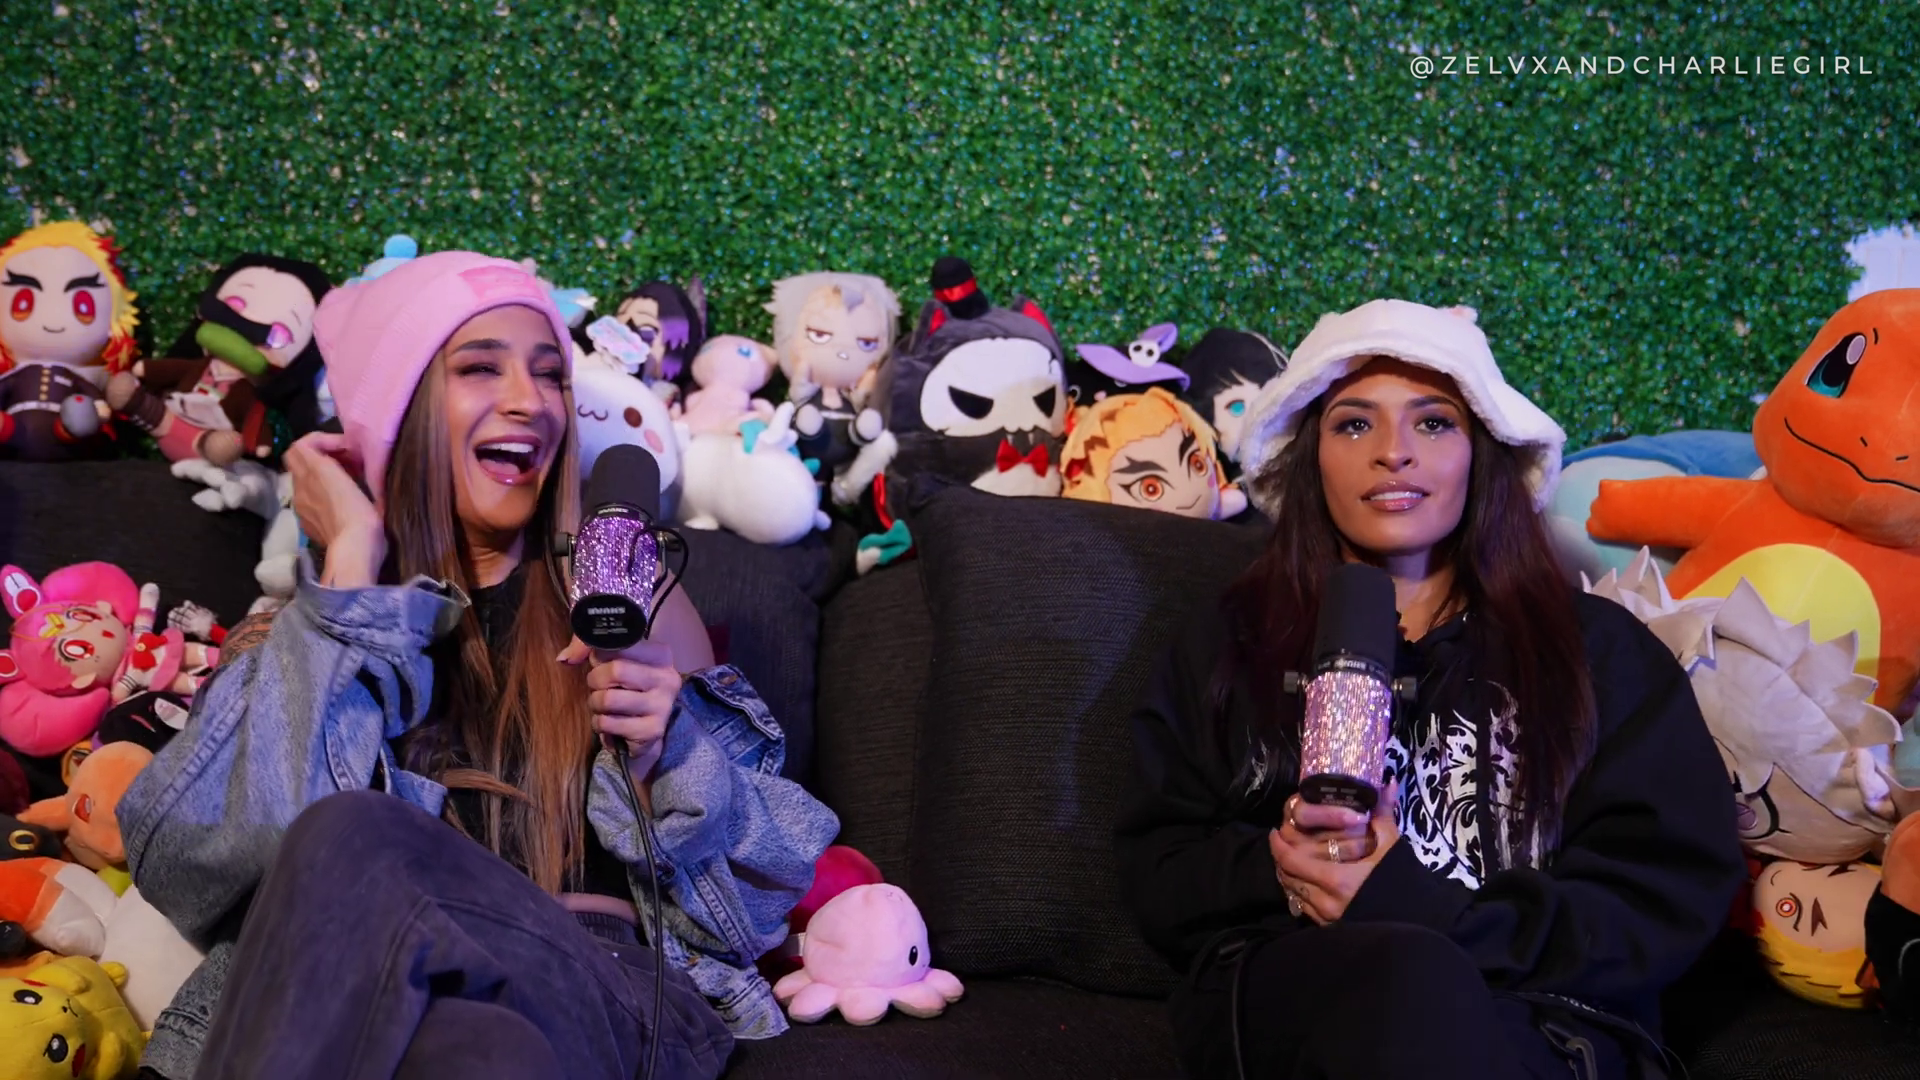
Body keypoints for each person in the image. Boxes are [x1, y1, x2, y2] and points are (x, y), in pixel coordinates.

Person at [119, 252, 839, 1080]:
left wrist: (666, 758)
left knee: (359, 836)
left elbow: (756, 908)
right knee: (472, 1044)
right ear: (401, 409)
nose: (531, 401)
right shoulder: (306, 629)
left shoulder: (624, 601)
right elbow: (189, 875)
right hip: (388, 1006)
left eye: (549, 374)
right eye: (480, 368)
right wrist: (349, 571)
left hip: (601, 986)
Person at [1114, 300, 1743, 1080]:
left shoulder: (1598, 653)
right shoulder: (1229, 641)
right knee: (1402, 980)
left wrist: (1418, 906)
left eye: (1434, 423)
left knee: (1424, 981)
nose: (1393, 453)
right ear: (1311, 456)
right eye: (1354, 425)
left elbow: (1664, 900)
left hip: (1536, 1026)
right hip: (1302, 1007)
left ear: (1483, 452)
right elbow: (1159, 869)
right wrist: (1285, 868)